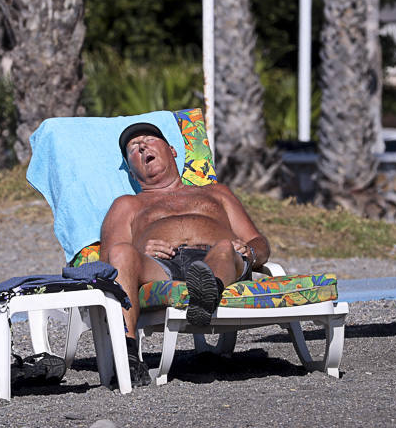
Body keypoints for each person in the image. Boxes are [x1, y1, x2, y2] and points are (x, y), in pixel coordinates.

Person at [100, 122, 271, 386]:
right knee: (122, 252)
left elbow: (259, 243)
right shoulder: (127, 205)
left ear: (172, 151)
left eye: (149, 140)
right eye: (133, 148)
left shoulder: (217, 192)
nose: (142, 146)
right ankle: (128, 356)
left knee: (224, 248)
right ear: (132, 171)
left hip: (219, 260)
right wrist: (138, 251)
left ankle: (206, 293)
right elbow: (107, 262)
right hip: (160, 267)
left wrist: (249, 252)